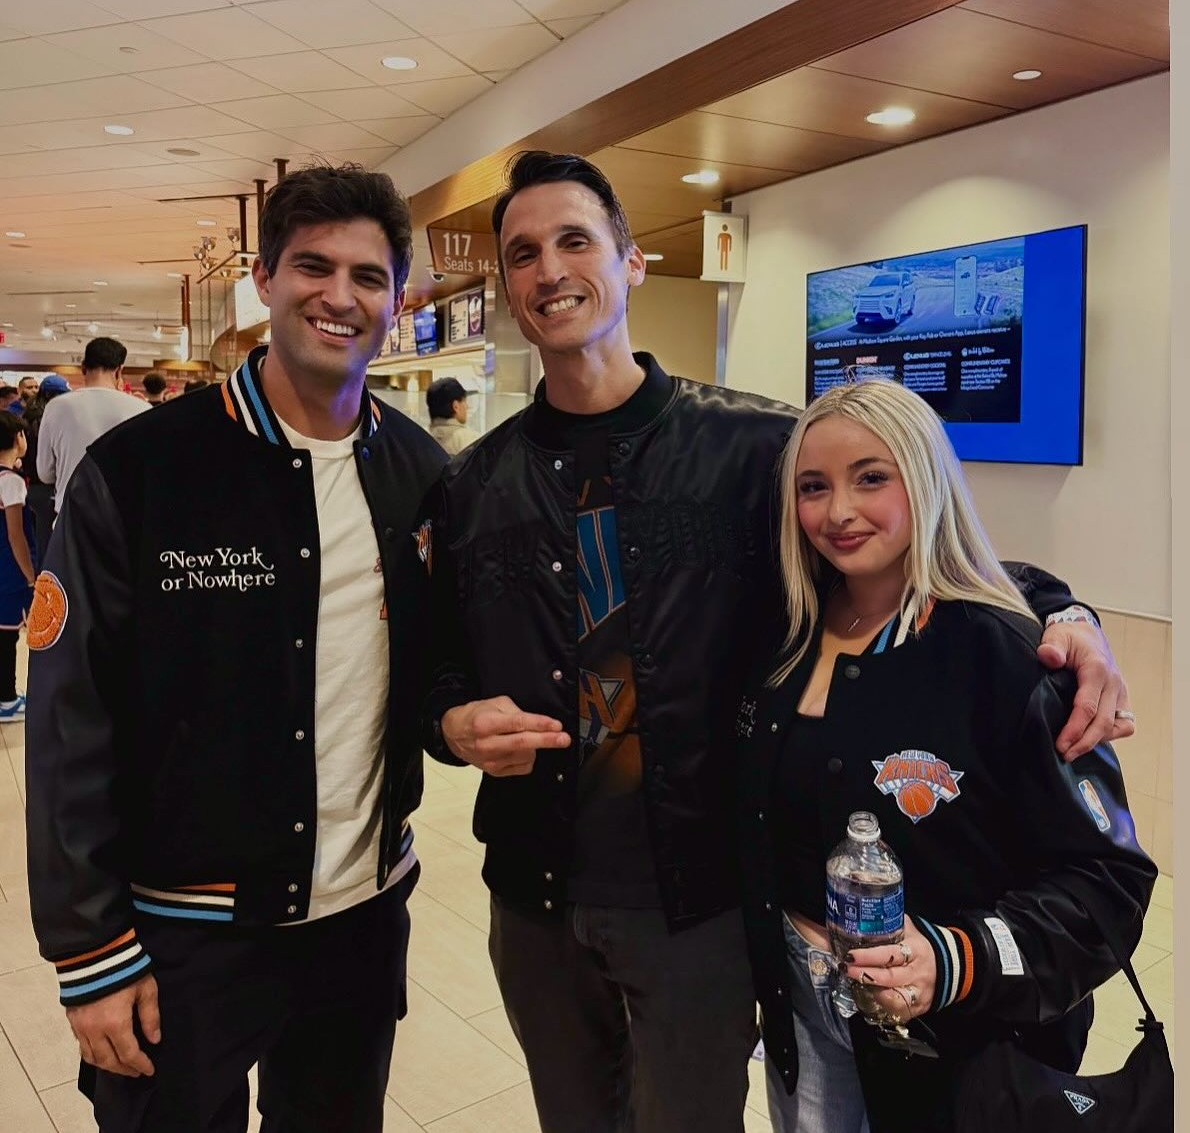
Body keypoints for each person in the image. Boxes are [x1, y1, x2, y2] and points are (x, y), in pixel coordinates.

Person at [422, 151, 1134, 1133]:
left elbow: (910, 546)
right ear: (504, 285)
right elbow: (437, 661)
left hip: (699, 897)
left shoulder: (758, 449)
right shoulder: (471, 486)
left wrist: (1063, 614)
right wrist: (452, 715)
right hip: (534, 899)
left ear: (630, 262)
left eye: (574, 240)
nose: (549, 270)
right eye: (523, 253)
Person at [26, 162, 448, 1133]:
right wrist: (90, 948)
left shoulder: (421, 474)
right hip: (181, 936)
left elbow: (437, 671)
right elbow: (67, 714)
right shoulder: (140, 471)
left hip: (357, 925)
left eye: (368, 275)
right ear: (262, 278)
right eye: (312, 265)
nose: (339, 295)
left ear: (398, 299)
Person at [736, 377, 1155, 1133]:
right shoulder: (782, 636)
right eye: (813, 486)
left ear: (925, 479)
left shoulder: (1009, 656)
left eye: (871, 478)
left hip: (966, 1048)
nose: (838, 512)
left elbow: (1107, 888)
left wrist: (953, 958)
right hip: (803, 1012)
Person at [36, 337, 150, 511]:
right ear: (119, 371)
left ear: (83, 368)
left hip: (71, 518)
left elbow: (45, 473)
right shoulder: (141, 409)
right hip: (123, 517)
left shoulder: (57, 406)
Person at [0, 413, 35, 722]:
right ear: (17, 439)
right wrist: (30, 576)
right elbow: (16, 534)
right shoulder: (10, 482)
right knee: (7, 636)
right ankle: (7, 698)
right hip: (8, 572)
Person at [21, 375, 70, 567]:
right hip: (48, 487)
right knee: (50, 542)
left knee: (39, 539)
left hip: (32, 486)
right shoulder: (52, 419)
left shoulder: (26, 416)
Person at [425, 376, 481, 455]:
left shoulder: (420, 439)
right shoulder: (473, 442)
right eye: (464, 401)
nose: (467, 406)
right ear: (456, 406)